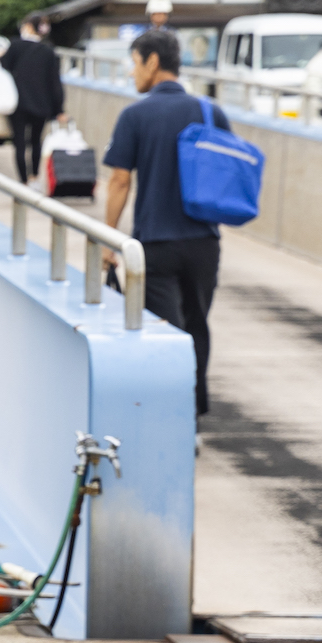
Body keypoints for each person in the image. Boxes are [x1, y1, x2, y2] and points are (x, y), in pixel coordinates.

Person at [100, 29, 221, 416]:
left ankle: (169, 416)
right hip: (204, 241)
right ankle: (193, 416)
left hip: (156, 243)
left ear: (152, 62)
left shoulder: (135, 114)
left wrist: (107, 241)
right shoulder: (208, 111)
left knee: (165, 330)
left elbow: (120, 180)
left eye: (134, 63)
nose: (132, 72)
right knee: (196, 325)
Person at [0, 11, 66, 183]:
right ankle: (35, 177)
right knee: (36, 141)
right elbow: (55, 82)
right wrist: (59, 109)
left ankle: (23, 181)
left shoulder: (14, 46)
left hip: (17, 103)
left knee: (19, 143)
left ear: (28, 27)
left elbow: (4, 69)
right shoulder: (48, 51)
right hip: (42, 104)